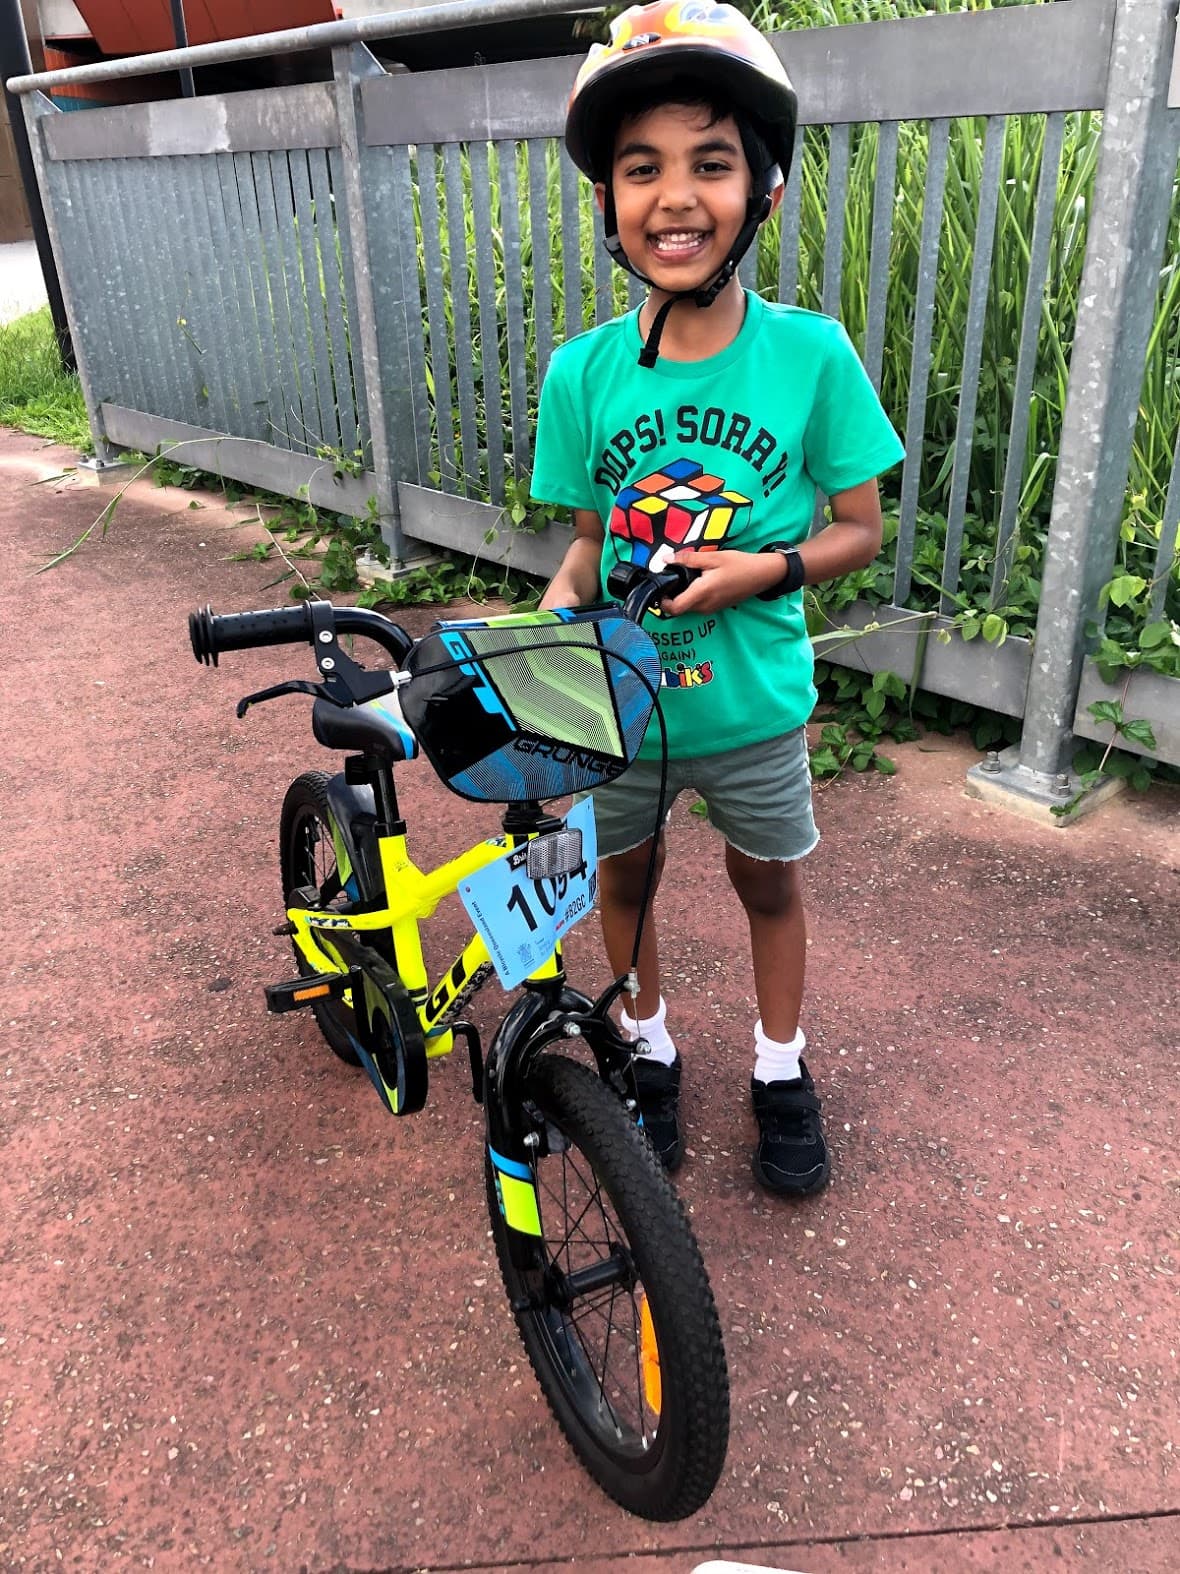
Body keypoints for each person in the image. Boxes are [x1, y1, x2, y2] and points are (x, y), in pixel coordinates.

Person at [530, 1, 904, 1196]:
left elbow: (860, 527)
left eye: (711, 162)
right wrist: (541, 636)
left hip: (751, 705)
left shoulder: (811, 355)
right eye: (641, 168)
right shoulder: (580, 373)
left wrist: (761, 570)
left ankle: (779, 1064)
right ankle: (647, 1046)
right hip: (624, 704)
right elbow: (588, 548)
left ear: (763, 191)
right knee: (621, 885)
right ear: (608, 200)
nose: (675, 195)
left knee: (767, 881)